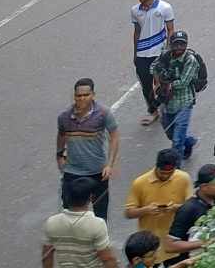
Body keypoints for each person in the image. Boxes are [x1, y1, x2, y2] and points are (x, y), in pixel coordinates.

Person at [58, 77, 120, 219]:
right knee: (69, 212)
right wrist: (59, 156)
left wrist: (109, 165)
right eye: (78, 95)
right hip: (72, 172)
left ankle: (100, 240)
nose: (82, 99)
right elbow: (61, 136)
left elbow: (114, 137)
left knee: (100, 213)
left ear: (93, 95)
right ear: (74, 96)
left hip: (97, 172)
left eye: (86, 95)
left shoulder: (104, 113)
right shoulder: (64, 117)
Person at [123, 149, 191, 264]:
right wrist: (146, 210)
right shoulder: (140, 183)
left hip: (175, 240)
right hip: (151, 246)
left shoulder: (183, 178)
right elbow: (128, 213)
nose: (165, 176)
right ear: (156, 166)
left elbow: (190, 208)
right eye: (162, 172)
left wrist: (176, 208)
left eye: (170, 173)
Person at [151, 31, 205, 162]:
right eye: (176, 44)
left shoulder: (190, 60)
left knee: (176, 141)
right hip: (168, 103)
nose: (179, 47)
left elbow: (183, 82)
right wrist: (158, 81)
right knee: (170, 132)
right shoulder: (165, 56)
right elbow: (153, 68)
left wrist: (167, 84)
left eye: (182, 44)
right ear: (171, 45)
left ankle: (176, 170)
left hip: (184, 102)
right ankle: (190, 141)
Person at [44, 176, 120, 268]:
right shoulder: (97, 224)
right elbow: (107, 259)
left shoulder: (51, 222)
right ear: (91, 198)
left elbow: (46, 256)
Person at [131, 0, 176, 127]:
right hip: (142, 54)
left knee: (162, 83)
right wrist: (135, 53)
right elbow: (137, 32)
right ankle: (153, 111)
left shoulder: (164, 8)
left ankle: (168, 109)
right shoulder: (135, 11)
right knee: (146, 85)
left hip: (159, 53)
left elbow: (170, 30)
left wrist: (169, 51)